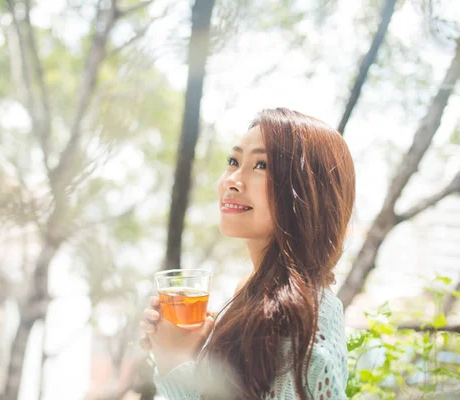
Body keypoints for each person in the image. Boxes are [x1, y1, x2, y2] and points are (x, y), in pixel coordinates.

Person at [139, 108, 356, 400]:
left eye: (261, 165)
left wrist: (176, 363)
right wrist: (176, 354)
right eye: (233, 161)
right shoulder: (251, 294)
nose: (233, 180)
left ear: (304, 191)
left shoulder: (310, 313)